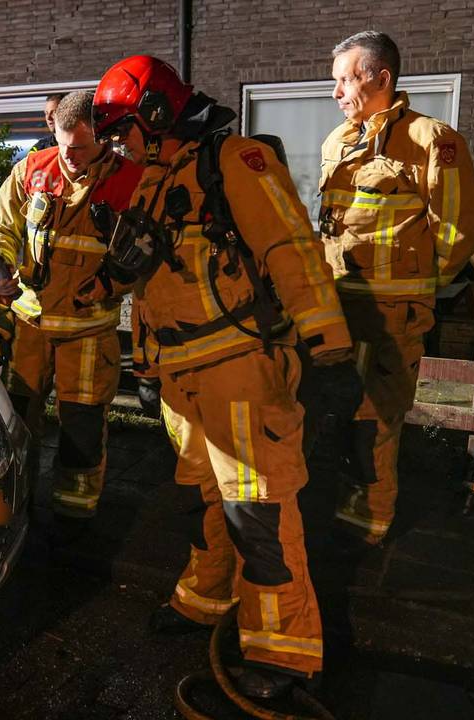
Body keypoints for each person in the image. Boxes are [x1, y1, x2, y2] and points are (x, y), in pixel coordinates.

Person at [92, 56, 354, 698]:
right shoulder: (152, 184)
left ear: (155, 113)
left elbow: (291, 247)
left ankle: (284, 654)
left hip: (240, 370)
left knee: (255, 512)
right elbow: (153, 289)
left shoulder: (234, 161)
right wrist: (146, 366)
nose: (119, 144)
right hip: (182, 380)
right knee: (201, 500)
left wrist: (330, 344)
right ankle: (205, 599)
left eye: (123, 129)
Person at [319, 31, 474, 546]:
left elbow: (458, 229)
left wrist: (420, 289)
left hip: (392, 314)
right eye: (334, 81)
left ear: (381, 77)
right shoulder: (336, 140)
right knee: (335, 409)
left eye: (345, 79)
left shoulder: (433, 140)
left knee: (376, 417)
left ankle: (369, 522)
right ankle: (337, 504)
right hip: (337, 305)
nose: (336, 92)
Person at [0, 89, 143, 518]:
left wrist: (111, 282)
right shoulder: (33, 168)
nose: (69, 156)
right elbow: (0, 224)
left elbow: (144, 254)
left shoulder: (131, 181)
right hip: (29, 325)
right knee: (16, 421)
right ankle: (15, 504)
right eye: (63, 144)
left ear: (103, 138)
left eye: (81, 148)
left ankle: (74, 515)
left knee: (81, 430)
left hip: (88, 330)